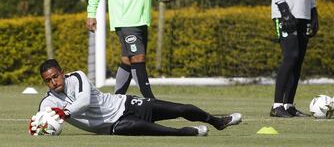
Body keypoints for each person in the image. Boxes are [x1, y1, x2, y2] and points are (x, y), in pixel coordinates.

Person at [33, 59, 242, 136]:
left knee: (179, 109)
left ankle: (217, 121)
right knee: (151, 130)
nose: (53, 82)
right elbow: (42, 117)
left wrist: (66, 112)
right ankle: (187, 132)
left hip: (125, 103)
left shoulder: (77, 76)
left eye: (55, 76)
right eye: (48, 80)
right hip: (113, 126)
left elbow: (84, 100)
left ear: (62, 73)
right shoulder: (49, 101)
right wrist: (37, 126)